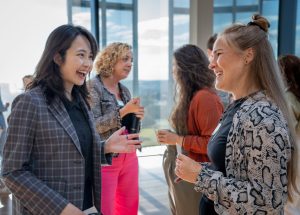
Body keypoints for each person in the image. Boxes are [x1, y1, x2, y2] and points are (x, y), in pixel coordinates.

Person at [0, 25, 141, 215]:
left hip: (87, 207)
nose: (88, 64)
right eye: (81, 55)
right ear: (58, 57)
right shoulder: (30, 102)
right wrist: (63, 209)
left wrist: (105, 147)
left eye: (90, 57)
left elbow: (70, 152)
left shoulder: (81, 101)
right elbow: (12, 172)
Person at [175, 14, 298, 214]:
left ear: (248, 56)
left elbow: (266, 203)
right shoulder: (239, 106)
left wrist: (200, 176)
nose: (211, 64)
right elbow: (234, 170)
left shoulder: (263, 116)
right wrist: (200, 169)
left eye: (219, 54)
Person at [156, 44, 223, 215]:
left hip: (194, 174)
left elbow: (212, 144)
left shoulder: (205, 98)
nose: (172, 71)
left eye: (175, 65)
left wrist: (177, 139)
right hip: (182, 170)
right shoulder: (191, 95)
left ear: (186, 68)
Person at [89, 42, 144, 215]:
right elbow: (92, 126)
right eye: (125, 59)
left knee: (129, 207)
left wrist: (137, 118)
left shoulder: (124, 90)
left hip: (130, 157)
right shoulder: (93, 87)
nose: (130, 64)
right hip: (106, 160)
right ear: (111, 60)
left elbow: (129, 126)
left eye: (131, 60)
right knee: (106, 209)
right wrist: (123, 111)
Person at [278, 54, 300, 215]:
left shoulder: (287, 99)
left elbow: (287, 135)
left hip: (294, 158)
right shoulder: (295, 97)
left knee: (289, 205)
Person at [0, 88, 10, 194]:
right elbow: (0, 108)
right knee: (4, 153)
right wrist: (6, 106)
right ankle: (3, 184)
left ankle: (3, 184)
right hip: (0, 125)